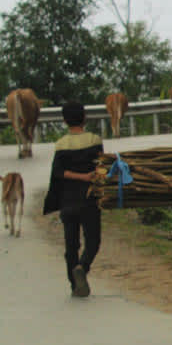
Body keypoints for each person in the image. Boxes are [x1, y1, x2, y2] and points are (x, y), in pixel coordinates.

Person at [43, 101, 104, 297]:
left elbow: (58, 173)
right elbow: (101, 166)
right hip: (89, 200)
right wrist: (88, 177)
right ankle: (83, 267)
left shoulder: (61, 144)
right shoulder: (94, 140)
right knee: (93, 241)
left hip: (68, 201)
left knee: (71, 245)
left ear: (64, 120)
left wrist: (77, 177)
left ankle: (74, 285)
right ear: (84, 118)